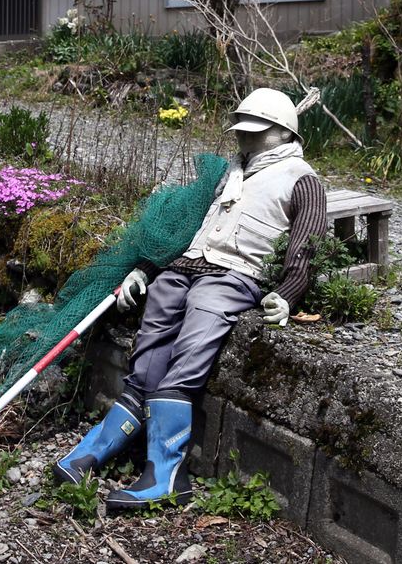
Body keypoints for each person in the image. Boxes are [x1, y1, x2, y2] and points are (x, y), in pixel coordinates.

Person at [53, 88, 327, 512]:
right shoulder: (228, 173)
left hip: (234, 276)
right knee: (152, 335)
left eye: (255, 132)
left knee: (195, 338)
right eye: (243, 131)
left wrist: (288, 293)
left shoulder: (301, 179)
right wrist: (144, 267)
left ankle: (166, 474)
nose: (244, 138)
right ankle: (97, 448)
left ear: (281, 132)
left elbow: (306, 242)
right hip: (184, 266)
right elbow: (183, 225)